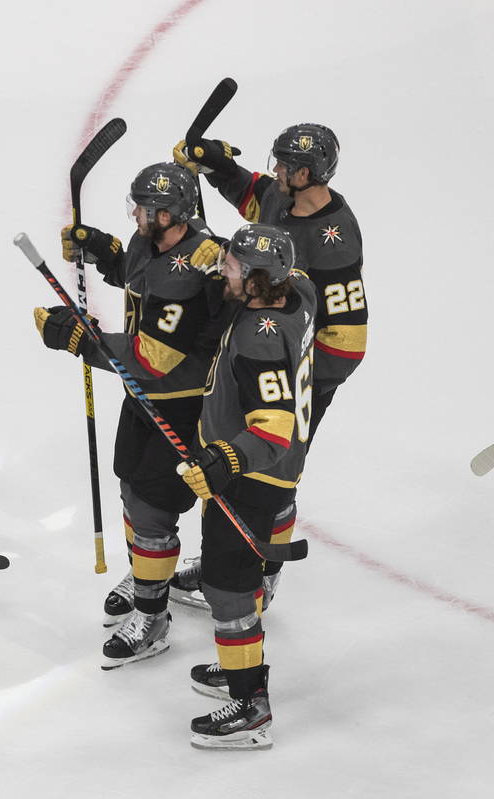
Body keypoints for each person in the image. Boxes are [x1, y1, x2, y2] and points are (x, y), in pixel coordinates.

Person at [35, 162, 227, 669]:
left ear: (170, 215)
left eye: (144, 209)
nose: (136, 215)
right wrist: (103, 249)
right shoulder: (153, 240)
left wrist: (77, 338)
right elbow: (136, 274)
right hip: (143, 398)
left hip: (180, 405)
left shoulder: (193, 274)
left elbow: (151, 357)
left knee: (151, 508)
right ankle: (148, 576)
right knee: (131, 490)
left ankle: (153, 613)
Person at [171, 123, 364, 606]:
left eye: (283, 164)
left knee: (276, 469)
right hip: (261, 348)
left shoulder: (334, 239)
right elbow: (252, 195)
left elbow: (349, 336)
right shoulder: (284, 197)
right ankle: (237, 554)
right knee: (245, 454)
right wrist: (217, 164)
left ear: (306, 173)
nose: (274, 170)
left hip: (297, 371)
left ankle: (263, 565)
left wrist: (298, 376)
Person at [176, 223, 316, 750]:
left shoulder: (259, 337)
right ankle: (244, 660)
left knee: (227, 587)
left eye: (233, 268)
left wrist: (223, 460)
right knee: (233, 582)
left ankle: (250, 705)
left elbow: (272, 429)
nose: (223, 272)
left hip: (252, 477)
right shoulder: (298, 291)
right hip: (272, 473)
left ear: (258, 282)